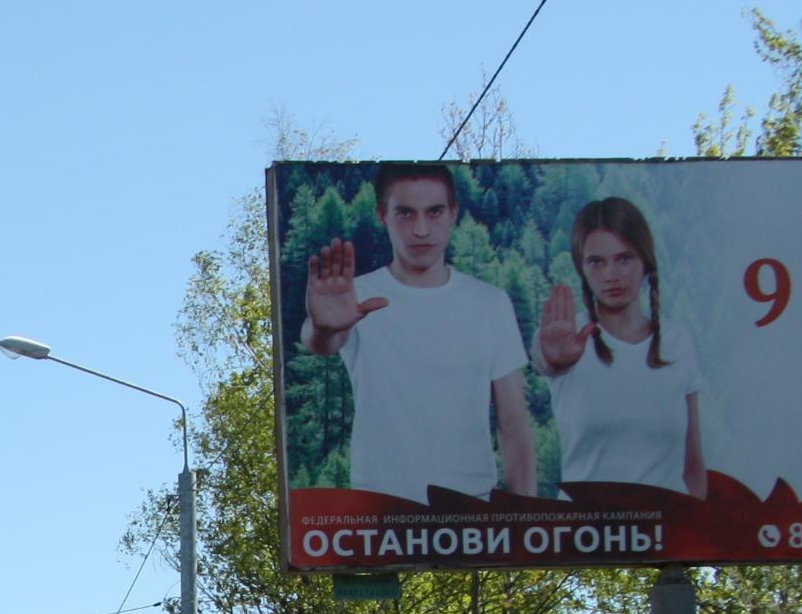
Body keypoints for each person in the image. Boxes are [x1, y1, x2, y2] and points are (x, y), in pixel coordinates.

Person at [298, 162, 536, 498]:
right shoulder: (357, 296)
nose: (421, 229)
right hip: (380, 519)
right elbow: (320, 340)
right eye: (406, 213)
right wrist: (322, 327)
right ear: (383, 215)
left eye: (435, 212)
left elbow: (514, 426)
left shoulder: (490, 303)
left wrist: (523, 529)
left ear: (453, 212)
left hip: (471, 517)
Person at [535, 195, 704, 497]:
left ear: (645, 261)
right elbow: (546, 361)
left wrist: (697, 537)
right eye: (596, 262)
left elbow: (693, 465)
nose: (611, 275)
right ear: (582, 268)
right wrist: (554, 360)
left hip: (664, 535)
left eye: (624, 258)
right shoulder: (564, 337)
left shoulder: (677, 343)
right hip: (584, 537)